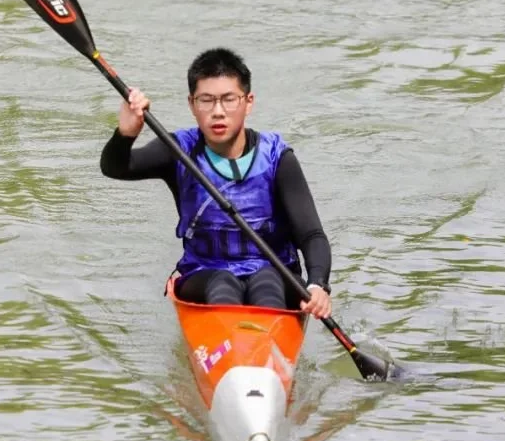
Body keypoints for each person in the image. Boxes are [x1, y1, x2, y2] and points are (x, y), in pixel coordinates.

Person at [99, 47, 333, 319]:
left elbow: (311, 234)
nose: (218, 112)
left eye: (229, 99)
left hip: (276, 274)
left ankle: (262, 352)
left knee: (265, 282)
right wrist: (125, 134)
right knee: (223, 282)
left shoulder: (277, 157)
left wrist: (317, 284)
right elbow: (115, 167)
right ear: (191, 104)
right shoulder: (178, 150)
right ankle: (228, 351)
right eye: (206, 100)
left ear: (248, 102)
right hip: (204, 273)